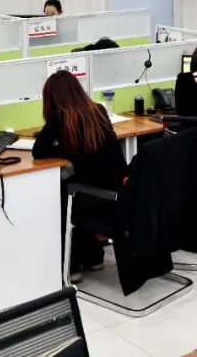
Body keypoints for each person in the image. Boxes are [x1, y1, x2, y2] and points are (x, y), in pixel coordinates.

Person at [32, 70, 127, 282]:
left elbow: (38, 151)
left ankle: (72, 265)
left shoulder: (60, 118)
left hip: (90, 198)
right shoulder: (98, 110)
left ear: (53, 97)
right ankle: (93, 257)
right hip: (114, 194)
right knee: (76, 185)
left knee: (59, 194)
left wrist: (59, 147)